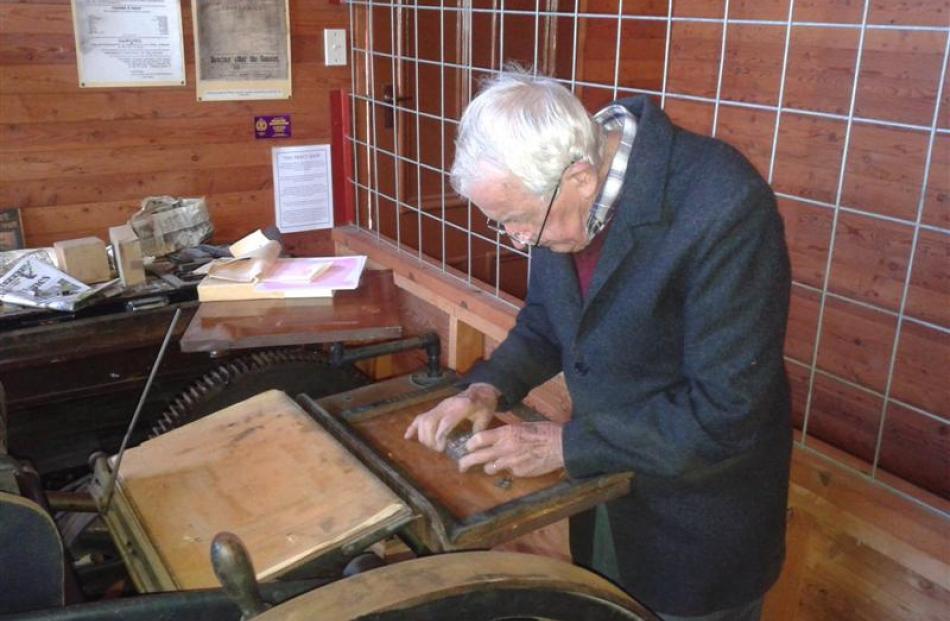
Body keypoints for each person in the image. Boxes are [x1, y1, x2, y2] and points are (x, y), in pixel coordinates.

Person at [404, 69, 792, 621]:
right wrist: (488, 387)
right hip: (607, 494)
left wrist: (564, 447)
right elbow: (548, 319)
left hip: (697, 522)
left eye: (515, 222)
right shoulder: (555, 194)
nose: (516, 239)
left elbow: (726, 412)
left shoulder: (724, 206)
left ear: (580, 178)